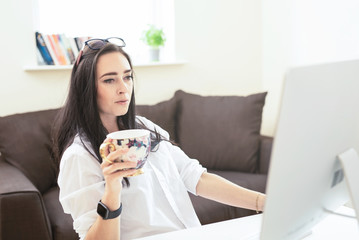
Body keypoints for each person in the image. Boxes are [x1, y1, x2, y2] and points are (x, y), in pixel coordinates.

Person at [53, 37, 266, 240]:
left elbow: (195, 177)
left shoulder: (145, 127)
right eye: (109, 80)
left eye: (127, 77)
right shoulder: (79, 156)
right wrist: (112, 189)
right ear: (86, 89)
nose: (123, 88)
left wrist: (264, 202)